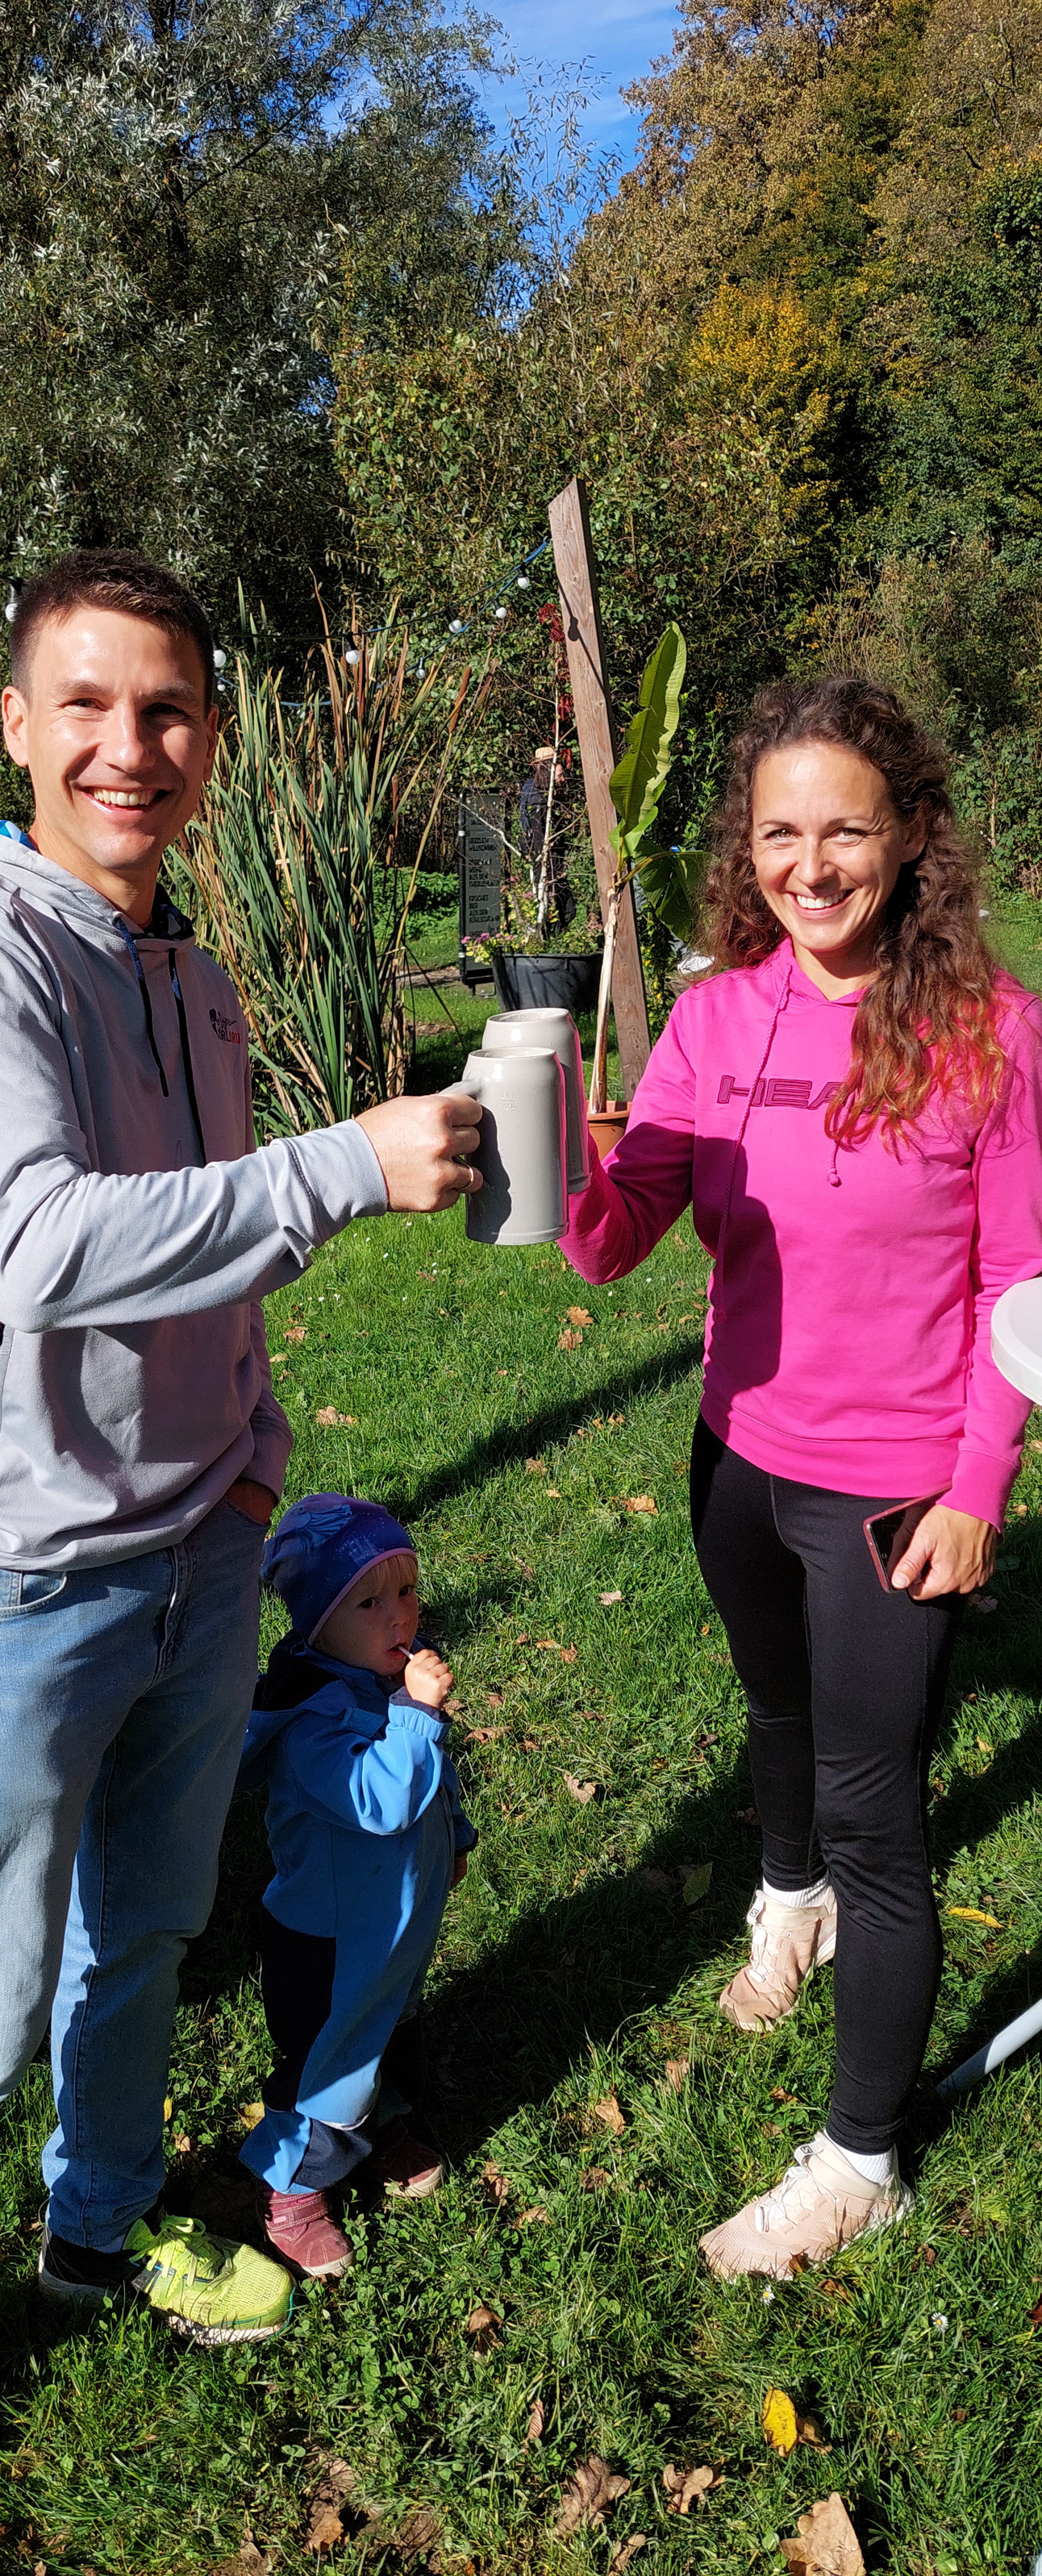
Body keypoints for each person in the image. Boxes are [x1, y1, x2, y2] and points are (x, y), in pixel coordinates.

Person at [0, 548, 482, 2553]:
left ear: (210, 737)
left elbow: (214, 1263)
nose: (126, 746)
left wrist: (251, 1461)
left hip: (193, 1553)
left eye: (166, 710)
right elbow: (35, 1247)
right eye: (86, 703)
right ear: (16, 726)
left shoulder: (192, 977)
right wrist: (344, 1161)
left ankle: (99, 2229)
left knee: (139, 1931)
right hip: (0, 1575)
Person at [559, 675, 1042, 2279]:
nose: (811, 864)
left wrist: (978, 1485)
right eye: (781, 832)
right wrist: (559, 1160)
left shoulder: (991, 1031)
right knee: (777, 1718)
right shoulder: (716, 1020)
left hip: (898, 1487)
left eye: (846, 829)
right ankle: (787, 1901)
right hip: (736, 1456)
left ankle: (861, 2159)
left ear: (908, 840)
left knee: (876, 1812)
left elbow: (1022, 1281)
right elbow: (617, 1237)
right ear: (745, 848)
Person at [235, 1493, 474, 2280]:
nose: (398, 1614)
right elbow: (381, 1801)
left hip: (391, 1926)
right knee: (331, 2067)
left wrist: (456, 1834)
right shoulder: (312, 1718)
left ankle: (381, 2129)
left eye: (406, 1589)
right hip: (331, 1943)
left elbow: (434, 1780)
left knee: (391, 2033)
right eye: (368, 1602)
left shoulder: (385, 1680)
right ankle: (293, 2190)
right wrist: (416, 1716)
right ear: (316, 1623)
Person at [519, 747, 575, 930]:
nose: (563, 779)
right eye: (559, 775)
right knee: (557, 908)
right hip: (544, 859)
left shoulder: (539, 792)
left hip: (551, 859)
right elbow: (535, 833)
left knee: (562, 909)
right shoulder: (536, 797)